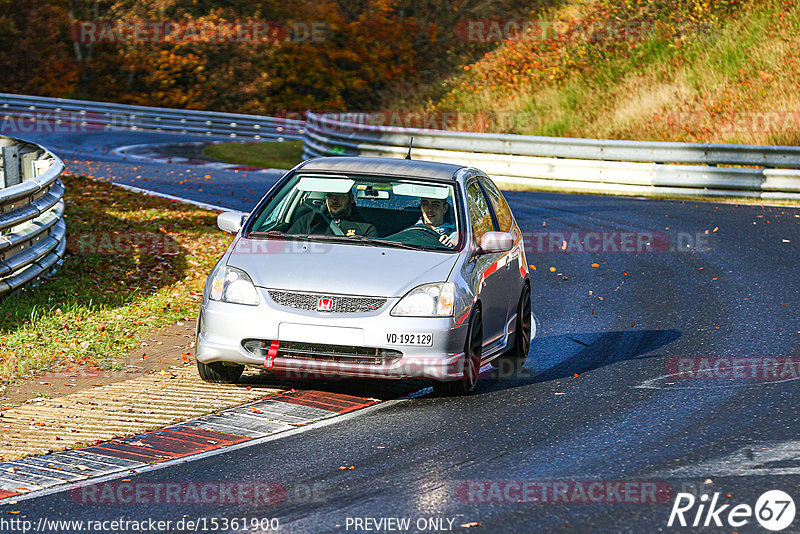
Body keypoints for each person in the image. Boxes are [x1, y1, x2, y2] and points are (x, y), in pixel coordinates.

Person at [288, 190, 378, 237]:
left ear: (351, 198)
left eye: (340, 195)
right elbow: (289, 246)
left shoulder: (366, 229)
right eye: (330, 195)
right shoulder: (309, 221)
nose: (334, 200)